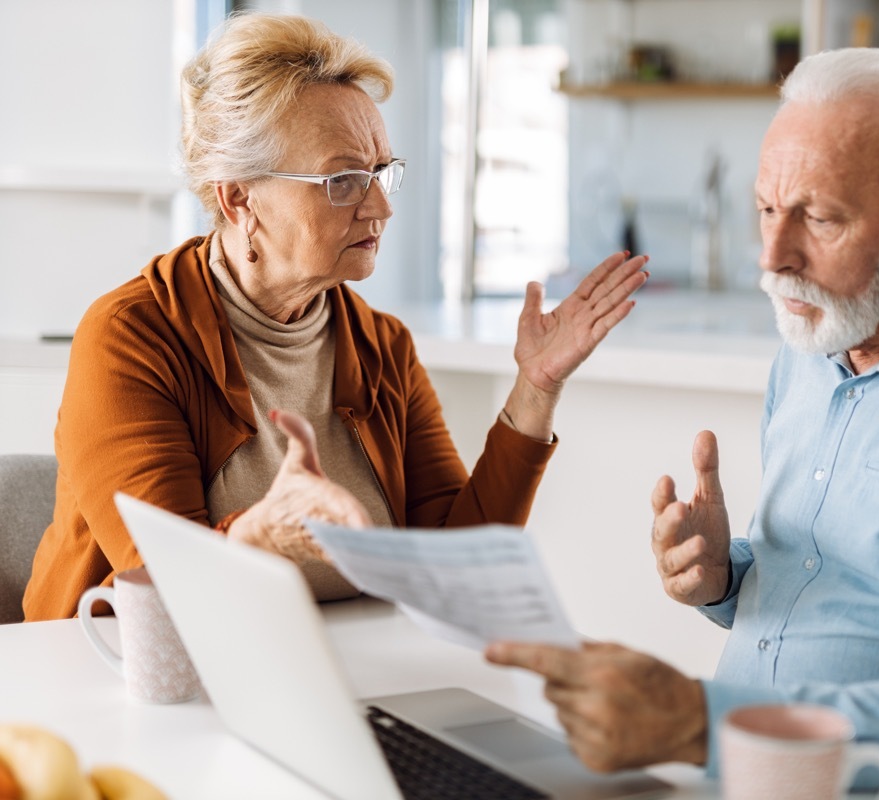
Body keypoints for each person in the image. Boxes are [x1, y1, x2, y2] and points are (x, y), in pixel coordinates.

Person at [485, 48, 879, 799]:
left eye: (818, 217)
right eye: (765, 209)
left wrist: (701, 721)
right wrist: (728, 575)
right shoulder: (816, 340)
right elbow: (844, 593)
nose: (773, 257)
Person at [23, 12, 648, 622]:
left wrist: (534, 392)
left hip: (337, 673)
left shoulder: (381, 343)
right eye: (342, 180)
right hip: (132, 687)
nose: (380, 206)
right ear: (238, 196)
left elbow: (454, 567)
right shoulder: (130, 338)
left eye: (380, 173)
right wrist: (260, 539)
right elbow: (164, 588)